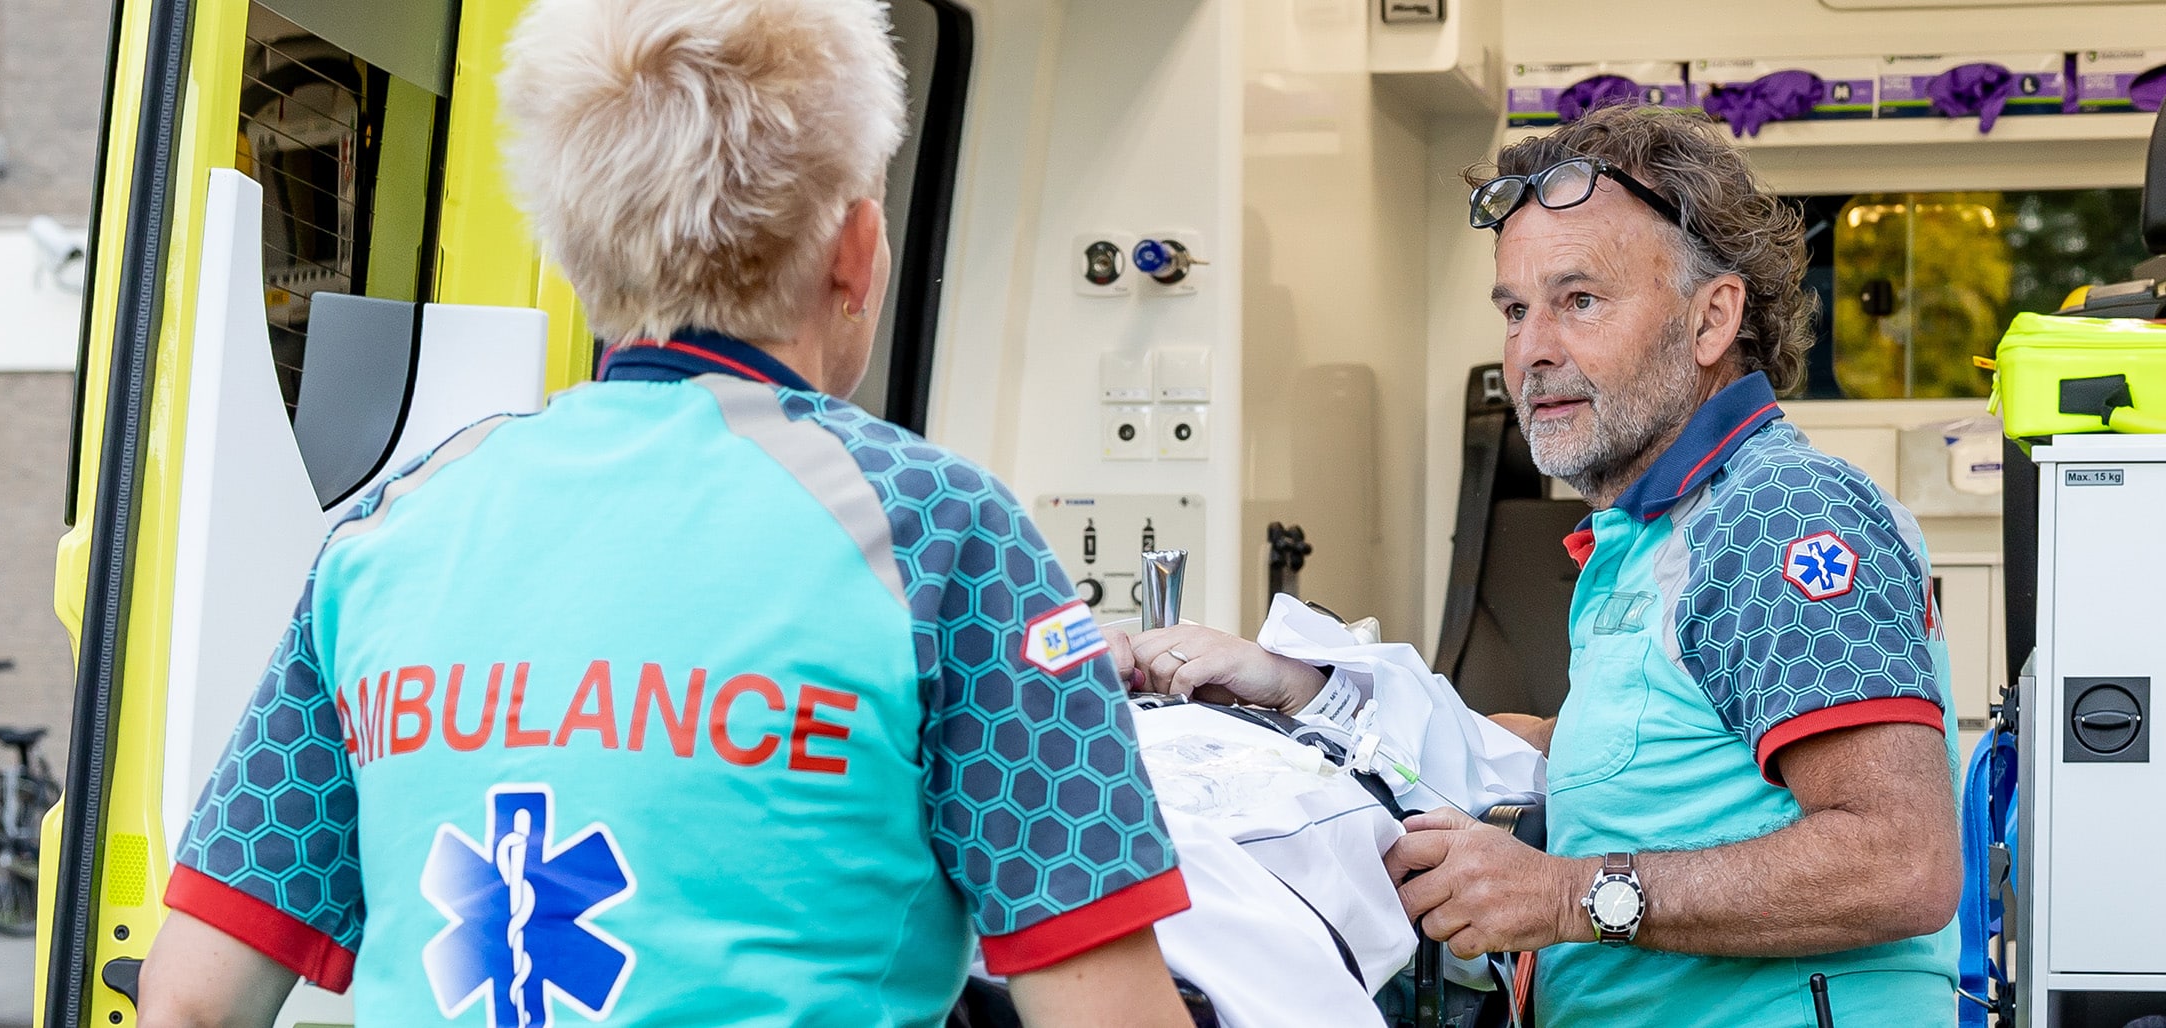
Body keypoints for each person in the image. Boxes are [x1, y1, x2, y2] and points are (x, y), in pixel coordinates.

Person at [138, 1, 1195, 1024]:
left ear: (577, 253)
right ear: (855, 249)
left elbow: (191, 1002)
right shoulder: (942, 535)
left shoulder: (390, 529)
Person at [1113, 103, 1962, 1025]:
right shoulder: (1653, 534)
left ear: (1712, 318)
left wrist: (1564, 895)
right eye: (1515, 311)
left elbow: (1901, 861)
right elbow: (1615, 758)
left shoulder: (1781, 514)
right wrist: (1305, 693)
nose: (1532, 351)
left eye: (1579, 300)